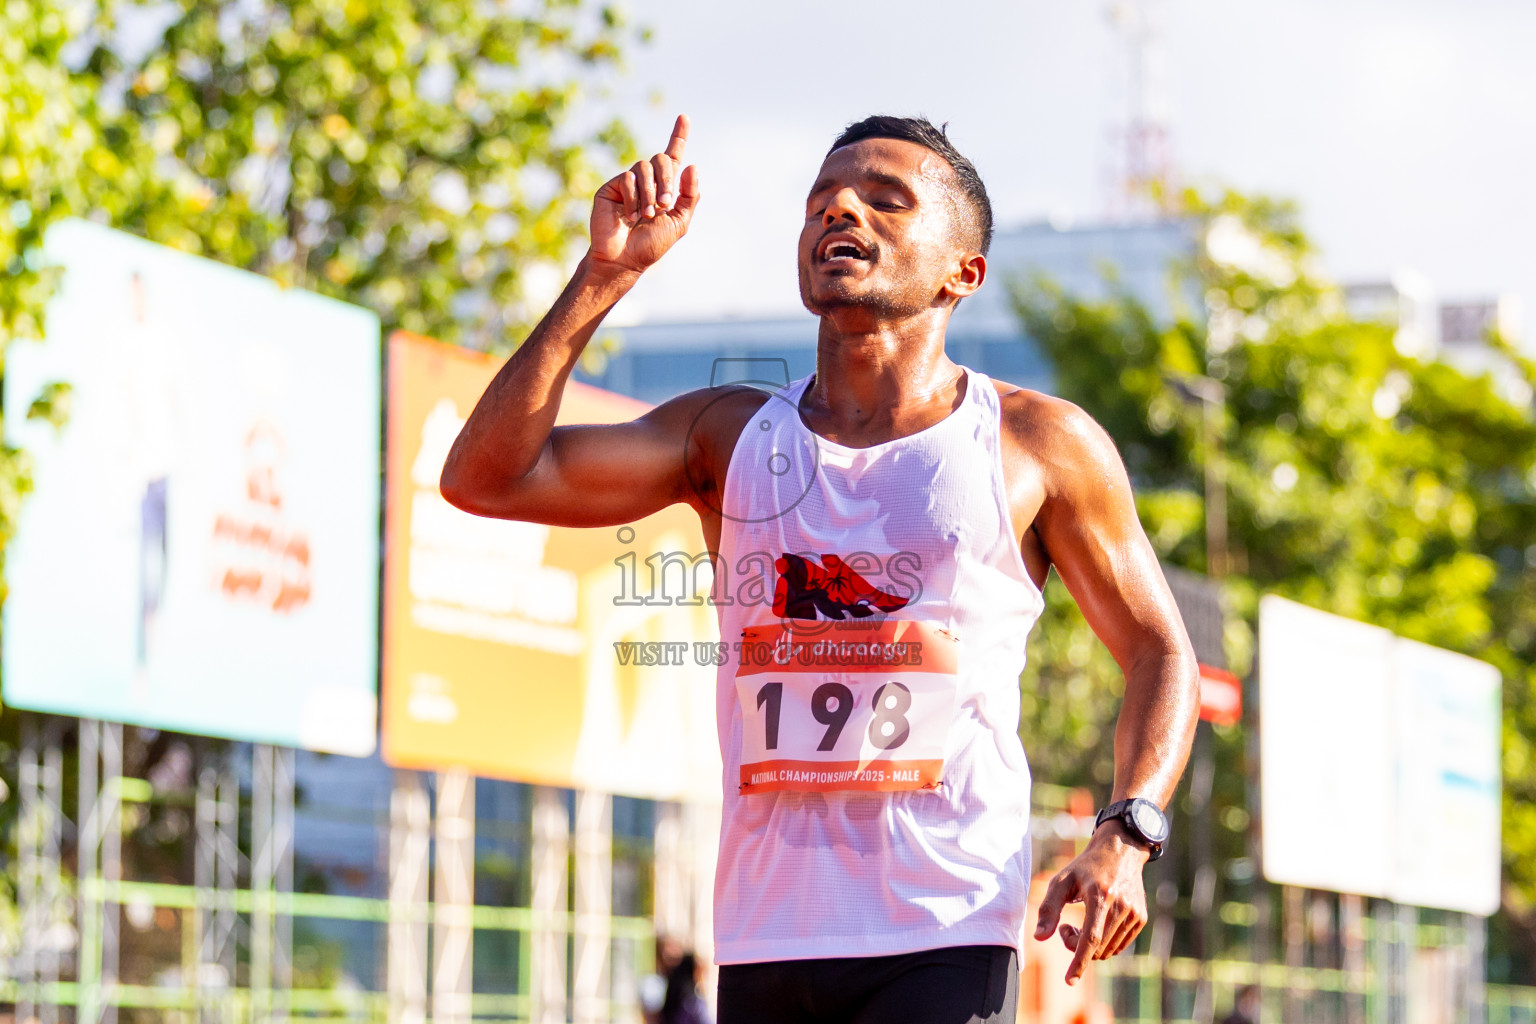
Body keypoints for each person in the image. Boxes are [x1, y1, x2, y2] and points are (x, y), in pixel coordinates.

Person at [441, 113, 1200, 1024]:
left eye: (886, 199)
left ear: (965, 271)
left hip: (945, 925)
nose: (840, 207)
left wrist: (1129, 830)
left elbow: (1161, 651)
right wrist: (607, 277)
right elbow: (485, 478)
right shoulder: (725, 434)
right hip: (768, 935)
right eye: (822, 201)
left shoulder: (1034, 443)